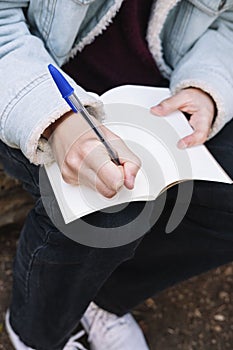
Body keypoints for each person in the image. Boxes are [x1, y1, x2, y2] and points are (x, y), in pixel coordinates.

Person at [0, 0, 233, 349]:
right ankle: (37, 333)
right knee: (105, 213)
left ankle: (102, 298)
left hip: (161, 94)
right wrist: (54, 118)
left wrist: (207, 84)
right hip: (31, 87)